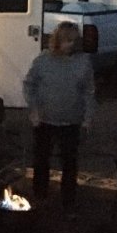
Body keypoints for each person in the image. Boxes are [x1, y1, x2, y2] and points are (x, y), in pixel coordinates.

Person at [23, 21, 96, 217]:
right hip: (45, 120)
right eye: (65, 41)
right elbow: (29, 85)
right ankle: (40, 196)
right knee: (40, 160)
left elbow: (89, 92)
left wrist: (87, 119)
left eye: (73, 41)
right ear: (57, 41)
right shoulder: (43, 61)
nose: (69, 45)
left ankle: (68, 202)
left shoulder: (84, 62)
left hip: (71, 121)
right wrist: (34, 109)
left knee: (69, 163)